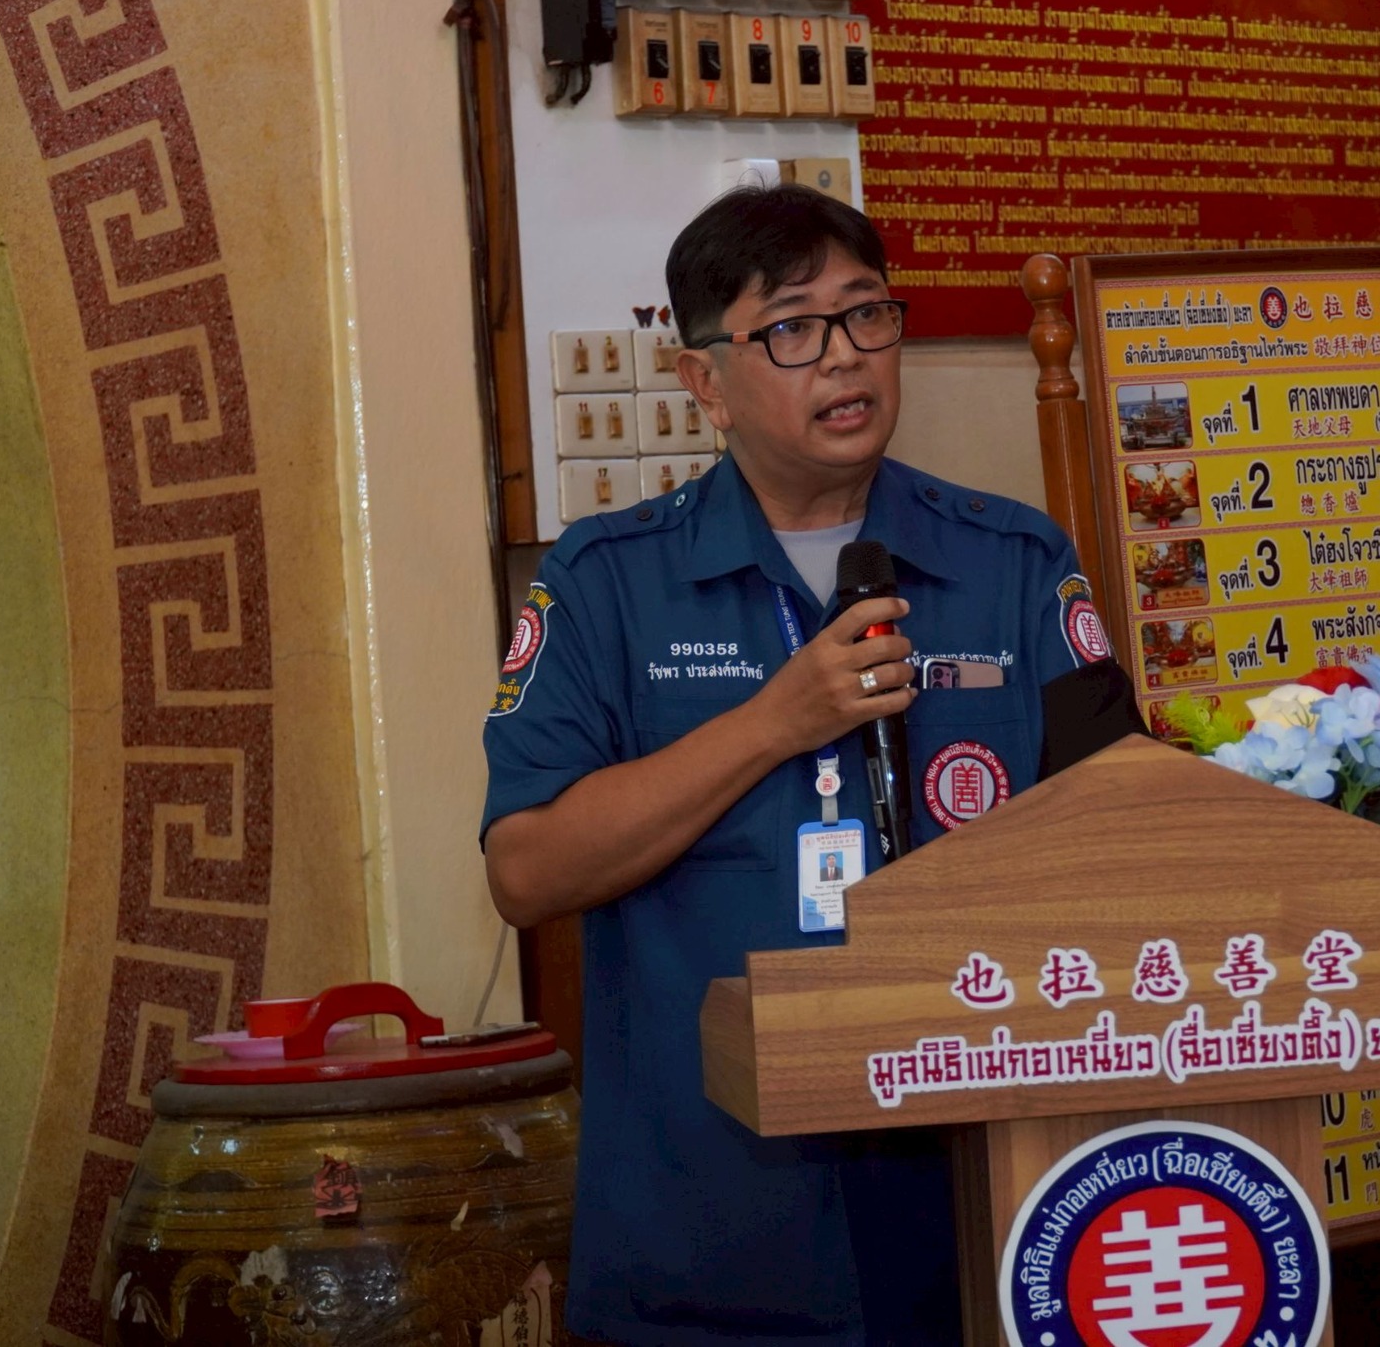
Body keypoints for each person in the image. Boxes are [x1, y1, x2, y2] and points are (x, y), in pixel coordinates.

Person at [480, 185, 1131, 1345]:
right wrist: (773, 723)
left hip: (983, 1200)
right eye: (790, 328)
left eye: (865, 313)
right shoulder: (605, 582)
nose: (842, 356)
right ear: (703, 381)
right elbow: (526, 872)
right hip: (715, 1220)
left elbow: (1127, 830)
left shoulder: (1014, 561)